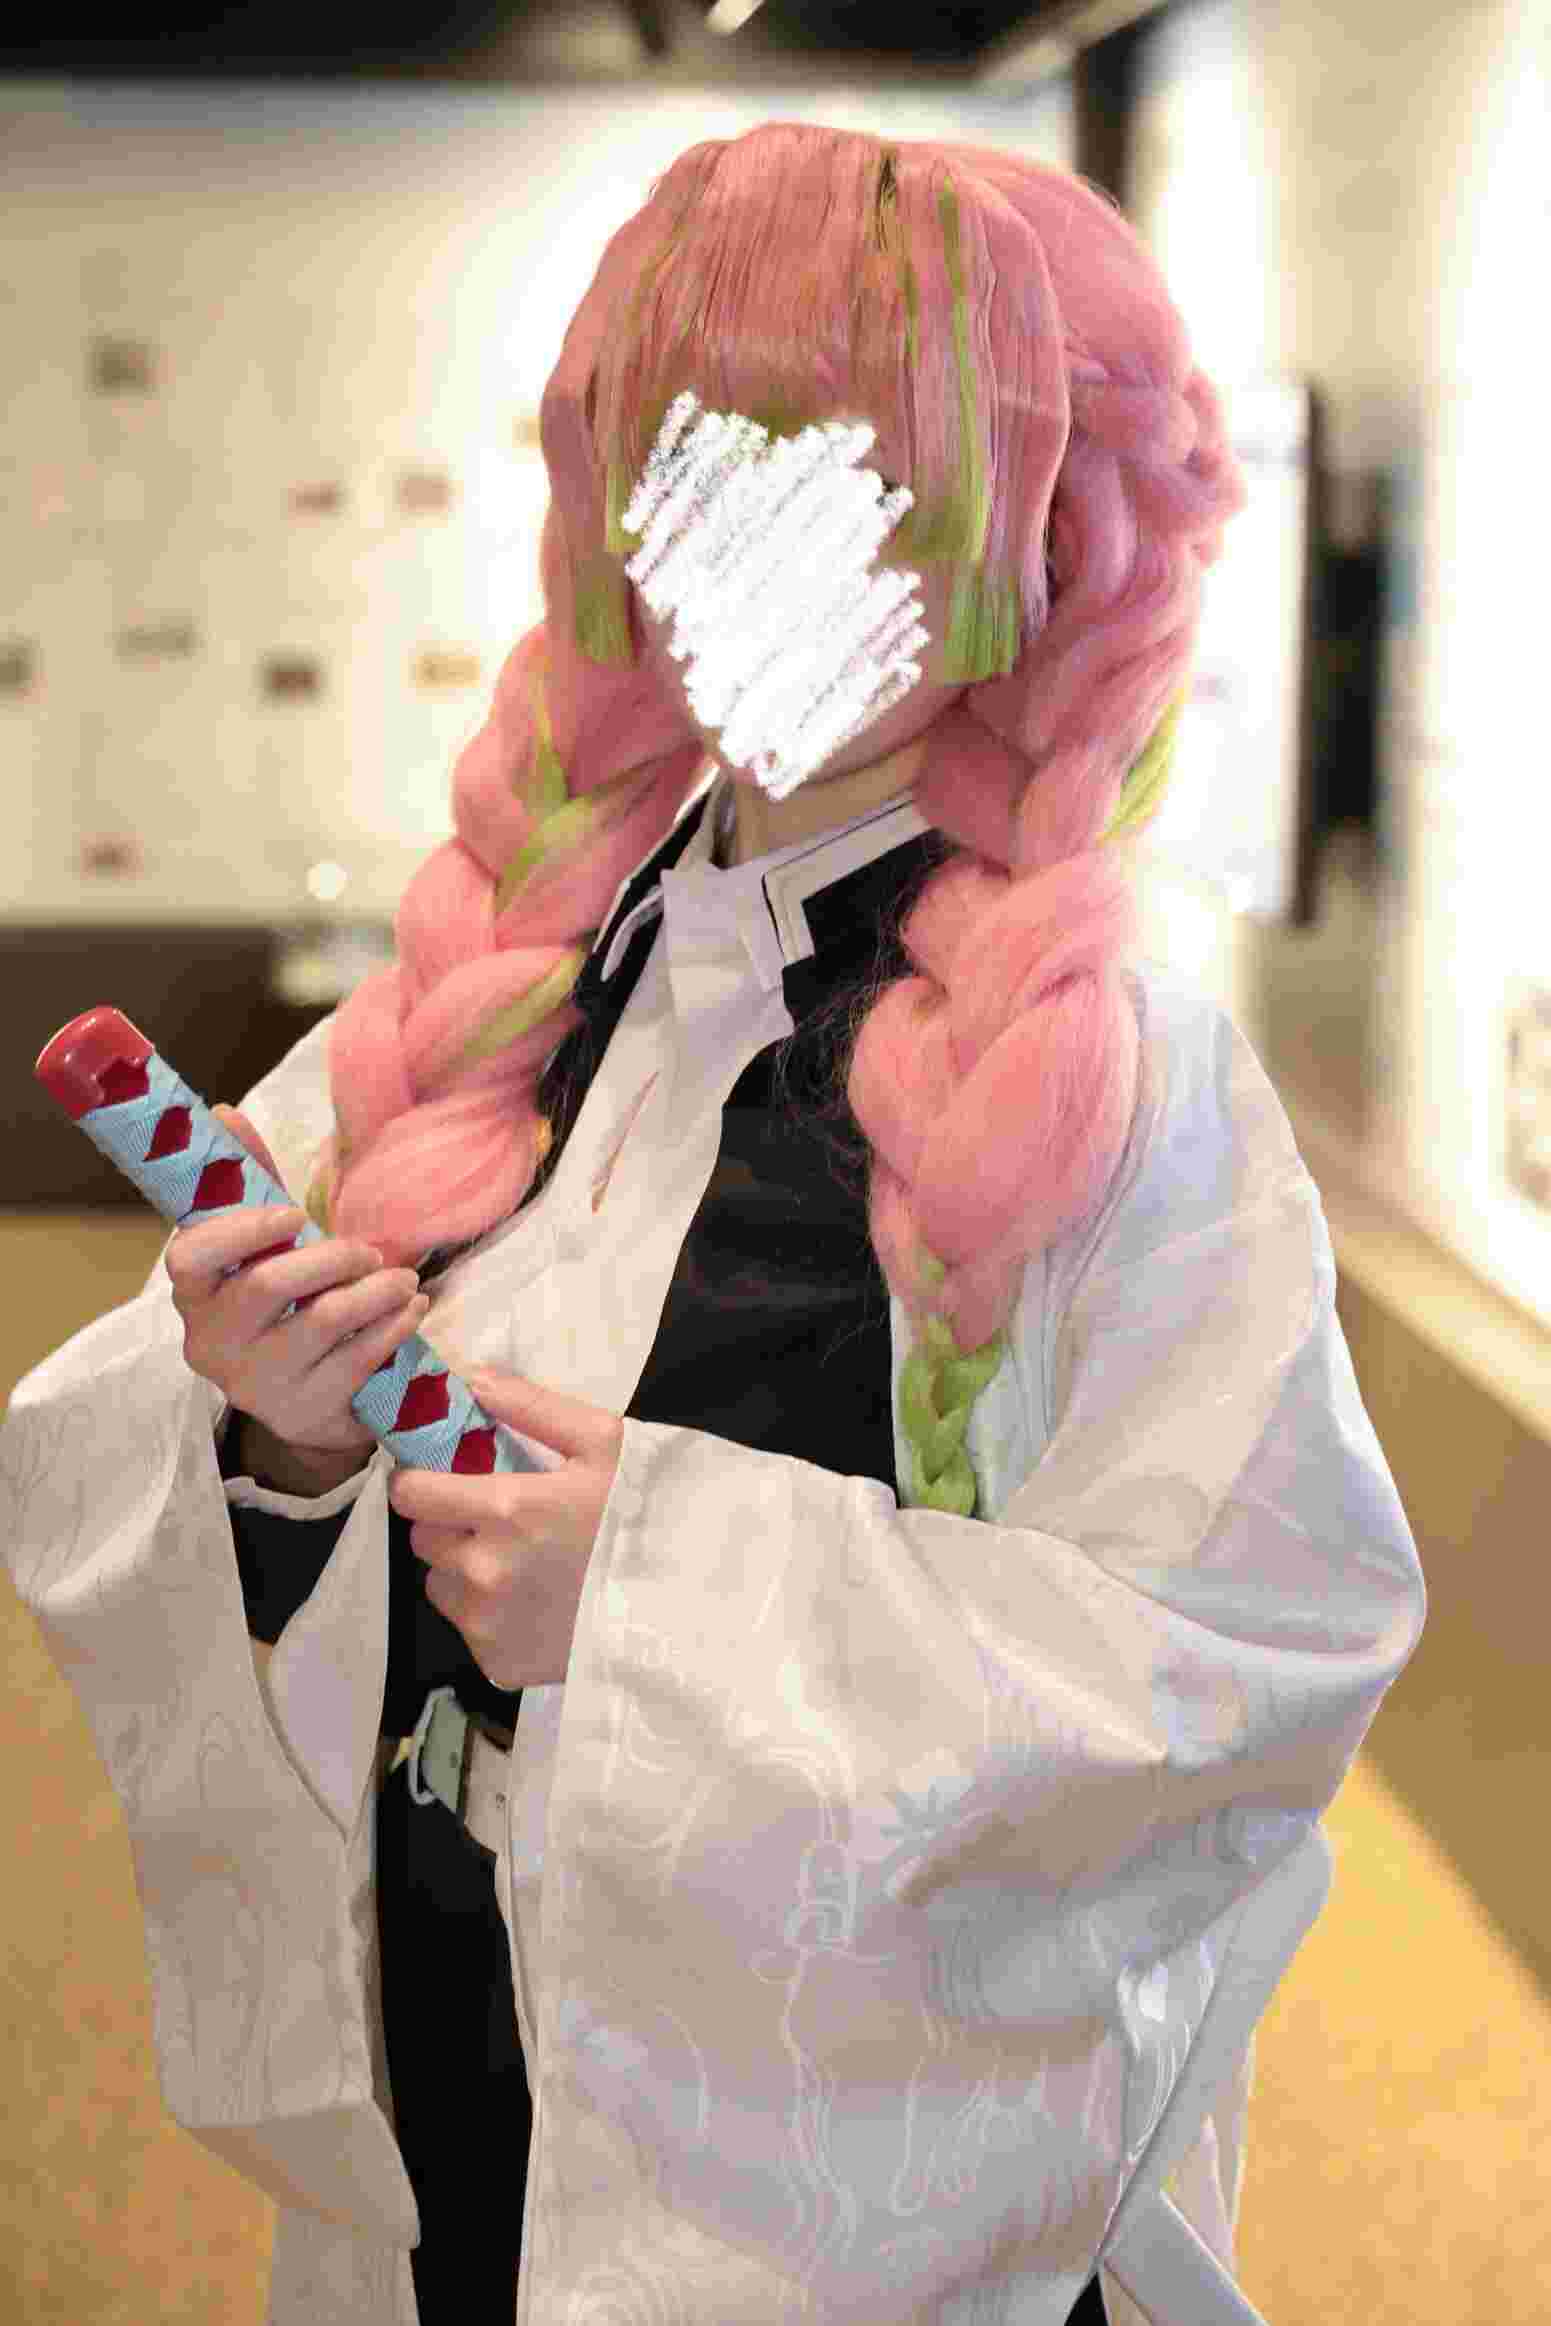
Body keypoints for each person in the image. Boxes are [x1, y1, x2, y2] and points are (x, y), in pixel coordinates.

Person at [1, 123, 1426, 2326]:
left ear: (1031, 538)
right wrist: (277, 1435)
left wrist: (656, 1588)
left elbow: (1243, 1654)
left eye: (845, 487)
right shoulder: (505, 981)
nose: (737, 560)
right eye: (689, 468)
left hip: (820, 2190)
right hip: (453, 2070)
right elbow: (164, 1493)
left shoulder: (1129, 1089)